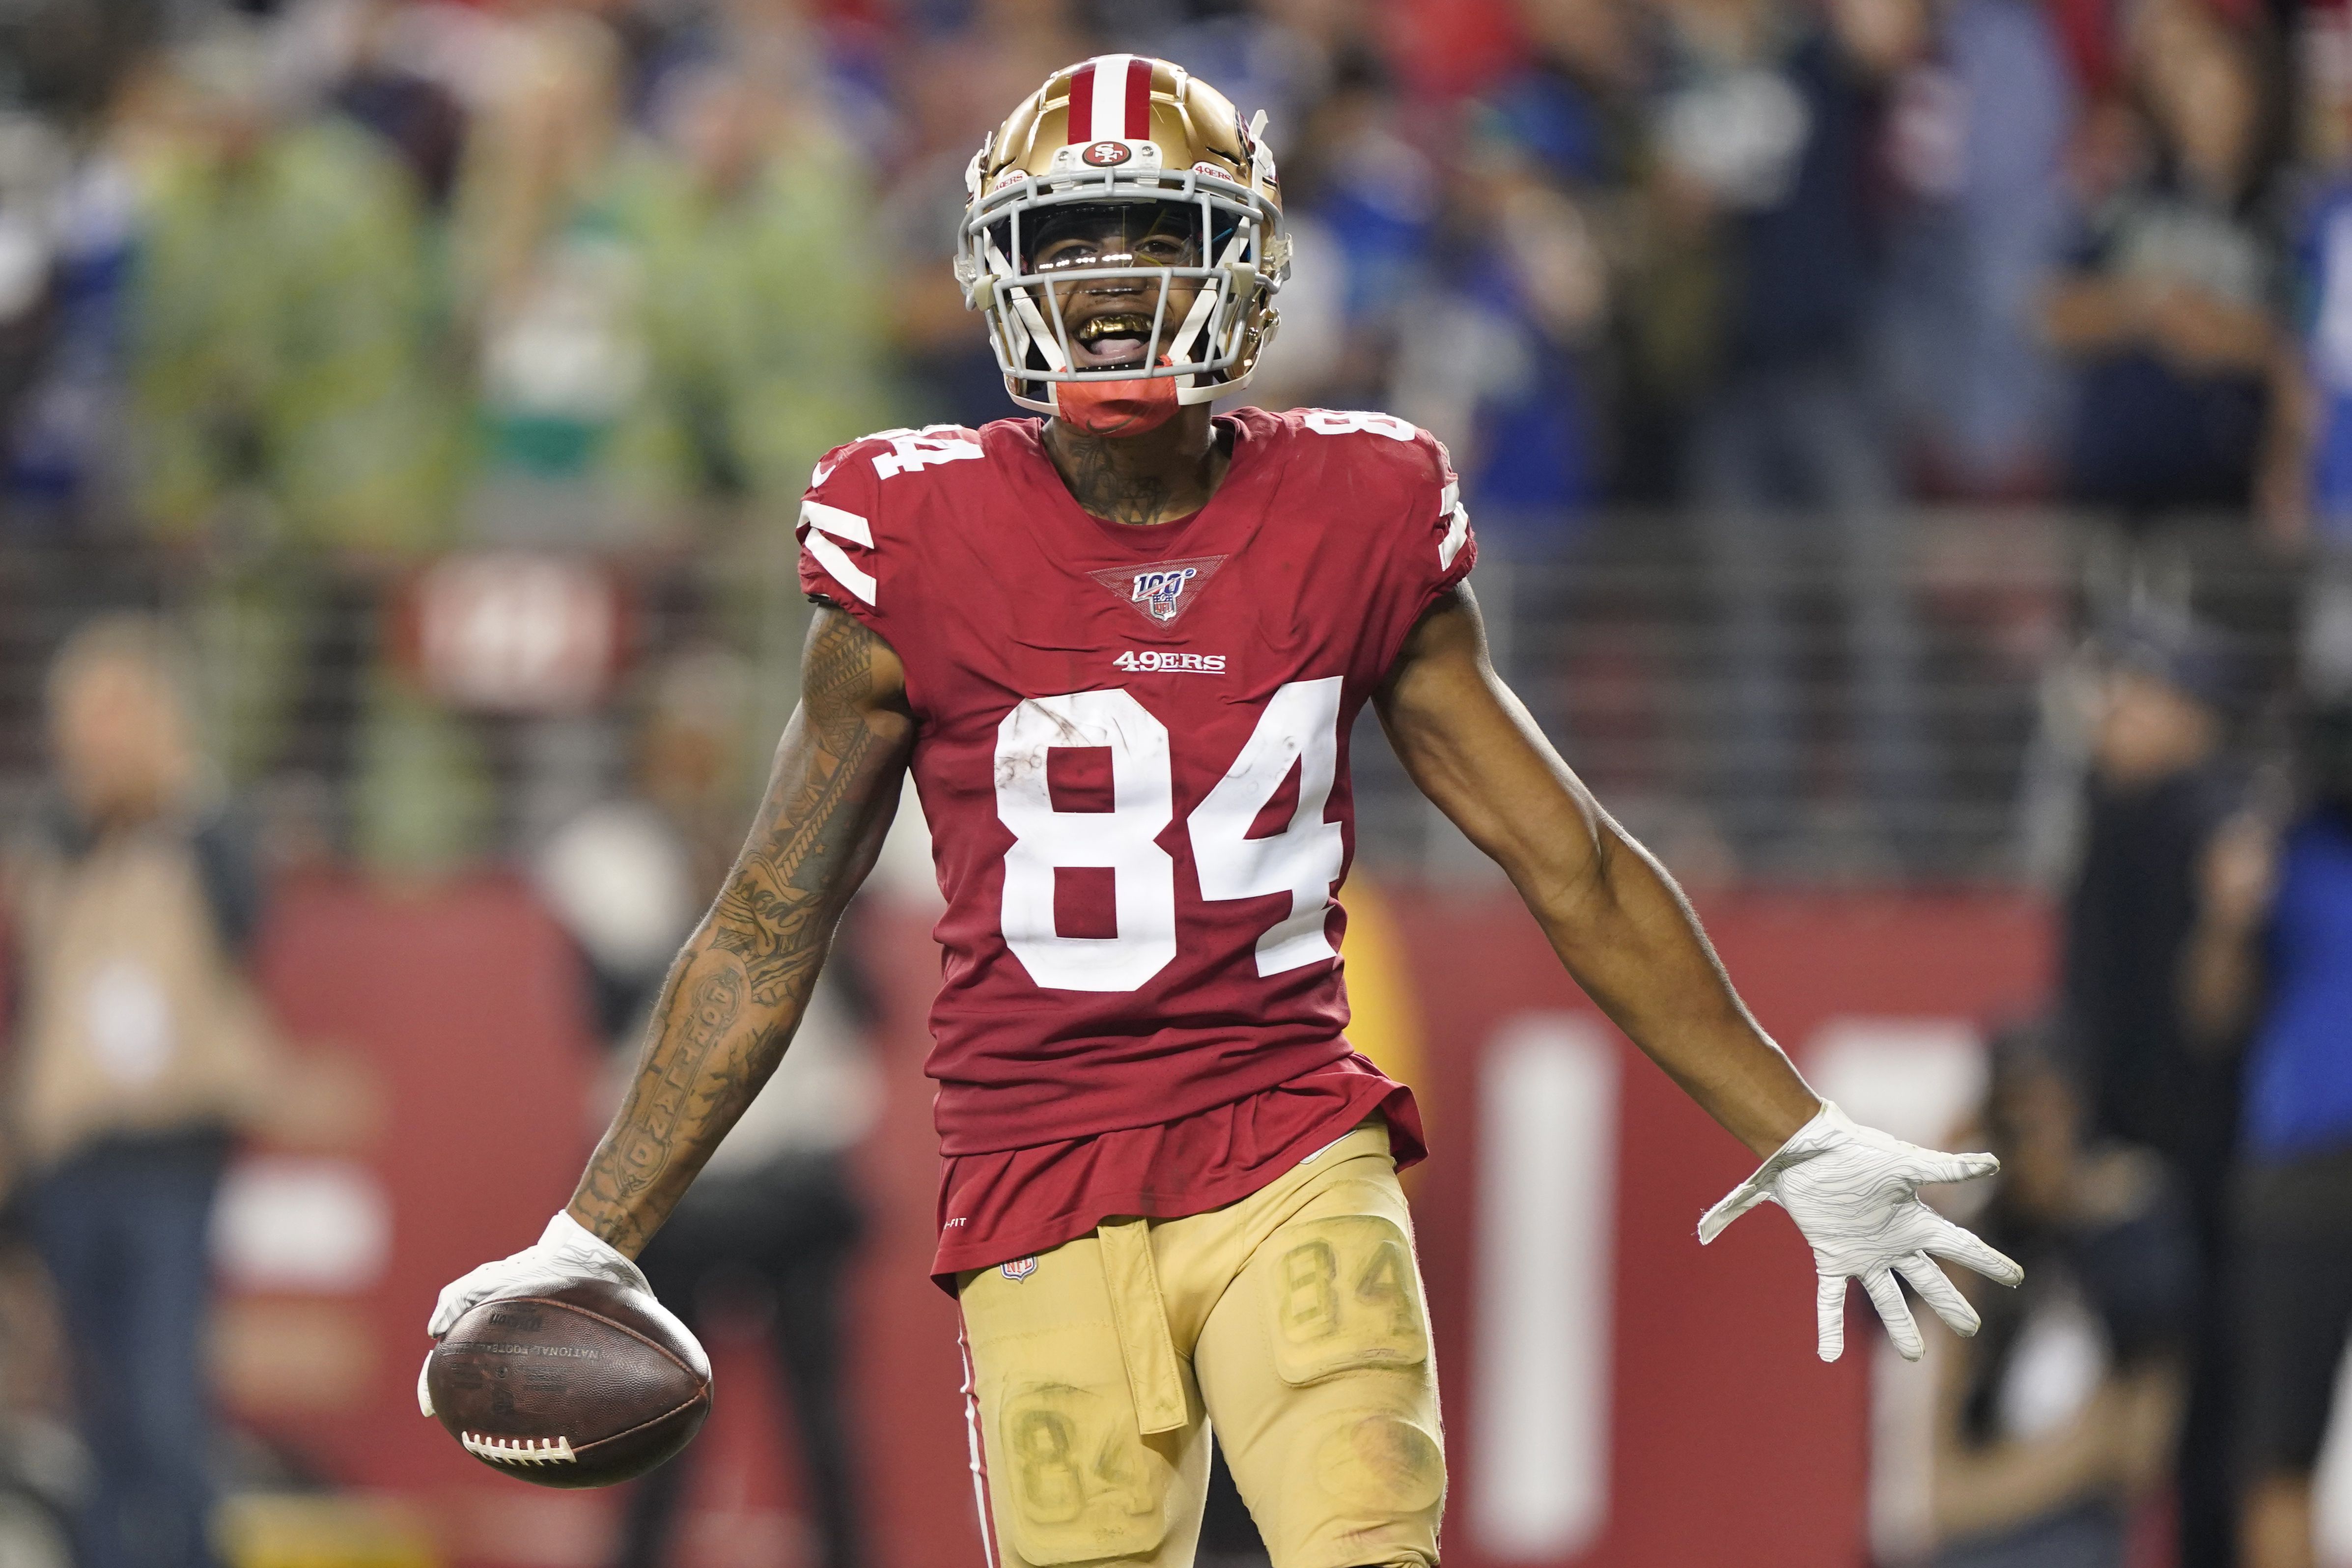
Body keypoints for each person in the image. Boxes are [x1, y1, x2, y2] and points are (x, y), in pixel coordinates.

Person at [424, 57, 2023, 1568]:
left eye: (1150, 236)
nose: (1110, 279)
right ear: (1000, 272)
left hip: (1285, 1148)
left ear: (1241, 264)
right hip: (1033, 1184)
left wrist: (1789, 1125)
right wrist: (594, 1232)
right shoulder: (910, 532)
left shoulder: (1358, 505)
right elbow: (770, 919)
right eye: (1067, 239)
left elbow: (1569, 859)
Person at [0, 616, 276, 1568]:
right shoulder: (58, 839)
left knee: (165, 1408)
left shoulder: (205, 830)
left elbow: (245, 917)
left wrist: (168, 786)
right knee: (100, 1414)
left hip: (169, 1155)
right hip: (72, 1156)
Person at [2058, 614, 2245, 1568]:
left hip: (2192, 1176)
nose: (2112, 714)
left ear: (2194, 715)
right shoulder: (2110, 814)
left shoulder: (2200, 817)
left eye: (2137, 696)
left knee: (2194, 1421)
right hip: (2138, 1165)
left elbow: (2203, 1023)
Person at [2180, 696, 2352, 1568]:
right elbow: (2209, 1014)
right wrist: (2224, 916)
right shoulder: (2277, 851)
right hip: (2302, 1173)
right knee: (2278, 1446)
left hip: (2296, 1179)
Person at [1927, 1027, 2190, 1568]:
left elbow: (2138, 1452)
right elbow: (1944, 1495)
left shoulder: (2133, 1249)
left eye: (2052, 1111)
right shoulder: (1975, 1257)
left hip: (2078, 1537)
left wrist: (2093, 1207)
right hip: (1980, 1542)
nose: (2038, 1136)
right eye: (2017, 1115)